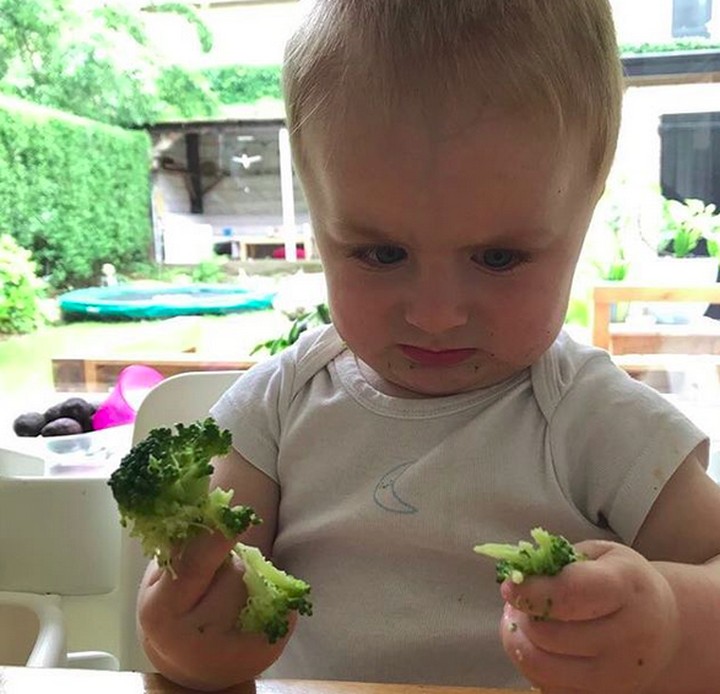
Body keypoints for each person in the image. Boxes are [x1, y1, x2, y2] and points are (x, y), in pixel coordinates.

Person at [136, 2, 720, 692]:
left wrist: (673, 625)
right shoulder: (277, 410)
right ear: (319, 213)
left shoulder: (593, 421)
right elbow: (194, 617)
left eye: (499, 258)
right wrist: (188, 644)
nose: (437, 316)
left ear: (585, 208)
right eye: (381, 253)